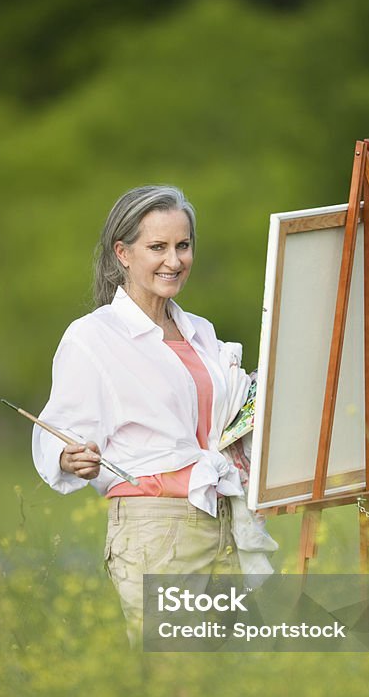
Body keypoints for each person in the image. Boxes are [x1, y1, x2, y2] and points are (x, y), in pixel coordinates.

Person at [32, 185, 276, 647]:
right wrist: (69, 457)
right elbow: (61, 428)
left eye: (183, 246)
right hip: (156, 526)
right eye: (158, 247)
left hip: (222, 516)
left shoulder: (201, 332)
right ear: (123, 253)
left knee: (232, 684)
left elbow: (229, 419)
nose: (174, 260)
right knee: (176, 683)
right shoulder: (94, 336)